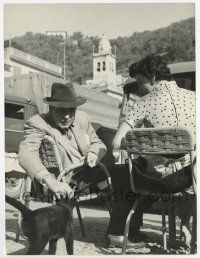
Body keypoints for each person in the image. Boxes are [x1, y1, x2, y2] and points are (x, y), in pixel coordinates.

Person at [18, 81, 147, 249]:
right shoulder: (37, 123)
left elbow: (98, 143)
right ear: (51, 108)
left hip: (89, 172)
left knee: (135, 170)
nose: (67, 116)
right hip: (65, 180)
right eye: (61, 111)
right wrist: (51, 181)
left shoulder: (81, 118)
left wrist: (94, 152)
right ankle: (117, 233)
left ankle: (131, 231)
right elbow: (26, 155)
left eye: (71, 110)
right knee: (126, 176)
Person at [112, 54, 196, 249]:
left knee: (128, 172)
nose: (140, 89)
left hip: (158, 178)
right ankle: (188, 229)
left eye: (141, 82)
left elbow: (117, 142)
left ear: (152, 79)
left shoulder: (142, 103)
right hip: (191, 176)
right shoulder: (195, 98)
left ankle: (120, 231)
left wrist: (143, 145)